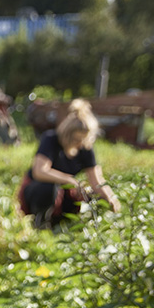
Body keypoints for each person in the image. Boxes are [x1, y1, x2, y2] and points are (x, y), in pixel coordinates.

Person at [18, 99, 121, 230]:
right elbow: (39, 171)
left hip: (65, 195)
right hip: (39, 191)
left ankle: (72, 225)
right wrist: (69, 180)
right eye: (76, 139)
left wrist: (110, 198)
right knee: (48, 188)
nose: (79, 143)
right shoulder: (51, 140)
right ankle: (40, 223)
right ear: (67, 134)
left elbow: (97, 180)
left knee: (94, 195)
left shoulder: (85, 149)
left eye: (82, 140)